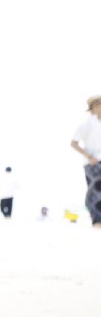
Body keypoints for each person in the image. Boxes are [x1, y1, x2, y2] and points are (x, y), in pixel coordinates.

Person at [70, 95, 101, 227]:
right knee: (96, 191)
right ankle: (97, 220)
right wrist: (89, 157)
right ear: (94, 106)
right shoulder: (87, 125)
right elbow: (74, 143)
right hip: (92, 163)